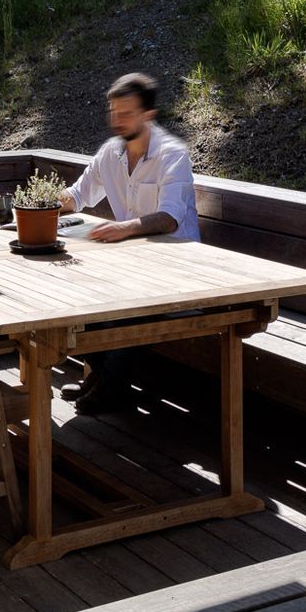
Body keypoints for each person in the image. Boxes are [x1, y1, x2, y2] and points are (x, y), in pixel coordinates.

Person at [59, 71, 199, 414]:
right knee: (70, 289)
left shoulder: (172, 154)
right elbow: (78, 195)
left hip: (179, 272)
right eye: (113, 113)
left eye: (126, 114)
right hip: (133, 267)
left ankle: (109, 384)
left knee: (123, 306)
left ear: (148, 115)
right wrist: (53, 200)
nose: (117, 121)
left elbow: (169, 218)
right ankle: (105, 378)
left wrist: (124, 228)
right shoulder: (111, 152)